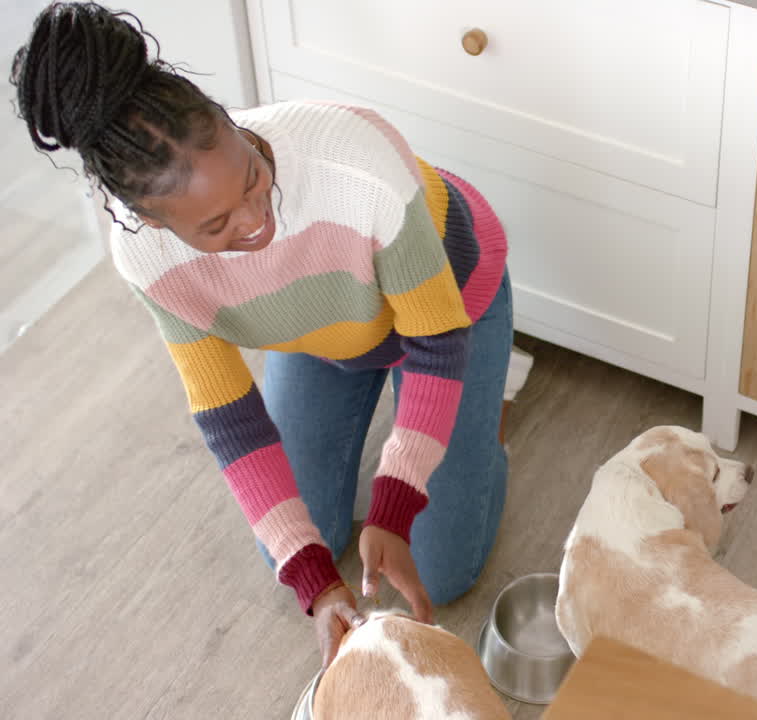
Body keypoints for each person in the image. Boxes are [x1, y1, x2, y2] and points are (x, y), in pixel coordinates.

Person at [10, 2, 512, 667]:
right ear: (153, 224)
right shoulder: (149, 261)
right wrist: (316, 582)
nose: (257, 220)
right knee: (303, 545)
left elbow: (437, 342)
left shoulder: (356, 162)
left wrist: (393, 503)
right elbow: (232, 423)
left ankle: (479, 435)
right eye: (217, 227)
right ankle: (428, 429)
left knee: (444, 570)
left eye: (253, 177)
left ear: (230, 122)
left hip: (448, 303)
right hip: (326, 333)